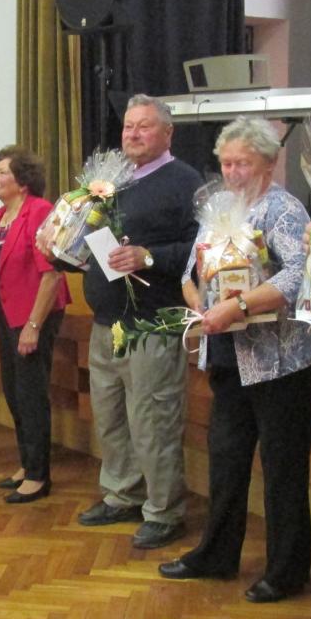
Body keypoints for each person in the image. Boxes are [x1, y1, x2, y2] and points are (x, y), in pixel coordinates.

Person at [157, 118, 311, 602]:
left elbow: (299, 274)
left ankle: (287, 570)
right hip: (229, 358)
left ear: (269, 163)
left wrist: (240, 306)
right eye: (226, 163)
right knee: (226, 461)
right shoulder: (219, 209)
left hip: (281, 362)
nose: (231, 173)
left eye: (242, 164)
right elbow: (190, 271)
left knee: (282, 468)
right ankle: (217, 554)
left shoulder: (283, 208)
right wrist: (197, 301)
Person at [53, 94, 203, 550]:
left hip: (153, 322)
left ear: (168, 133)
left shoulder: (185, 182)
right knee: (111, 416)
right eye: (128, 127)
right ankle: (122, 494)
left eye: (144, 126)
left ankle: (163, 510)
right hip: (106, 321)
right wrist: (60, 242)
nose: (133, 134)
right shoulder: (111, 179)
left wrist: (148, 256)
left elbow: (201, 251)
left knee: (153, 420)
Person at [0, 148, 71, 503]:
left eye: (2, 172)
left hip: (34, 314)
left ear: (23, 181)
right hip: (7, 314)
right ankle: (26, 462)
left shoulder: (40, 211)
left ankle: (38, 475)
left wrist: (33, 325)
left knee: (31, 394)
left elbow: (52, 274)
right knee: (14, 391)